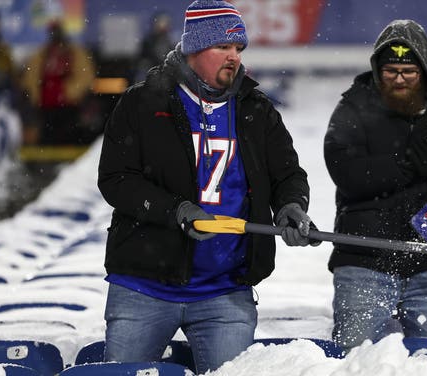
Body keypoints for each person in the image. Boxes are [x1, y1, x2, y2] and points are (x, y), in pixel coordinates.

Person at [97, 1, 319, 374]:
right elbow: (116, 180)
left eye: (238, 49)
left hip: (226, 292)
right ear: (194, 49)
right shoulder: (142, 102)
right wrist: (175, 211)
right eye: (223, 47)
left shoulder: (256, 109)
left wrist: (291, 206)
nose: (233, 57)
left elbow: (288, 174)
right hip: (143, 287)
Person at [323, 19, 427, 353]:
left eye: (408, 72)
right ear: (377, 69)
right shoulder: (353, 106)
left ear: (424, 70)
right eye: (390, 71)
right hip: (363, 262)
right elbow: (348, 177)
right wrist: (408, 165)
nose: (399, 79)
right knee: (356, 362)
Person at [21, 20, 95, 144]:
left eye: (57, 32)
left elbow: (86, 77)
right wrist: (37, 94)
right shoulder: (42, 54)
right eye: (53, 32)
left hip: (69, 105)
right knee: (47, 135)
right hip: (45, 105)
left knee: (69, 135)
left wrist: (69, 92)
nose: (56, 35)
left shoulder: (75, 53)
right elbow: (30, 78)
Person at [135, 11, 175, 82]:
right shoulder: (148, 42)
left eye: (165, 23)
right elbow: (143, 60)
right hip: (152, 75)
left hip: (164, 76)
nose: (164, 26)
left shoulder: (169, 42)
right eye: (161, 23)